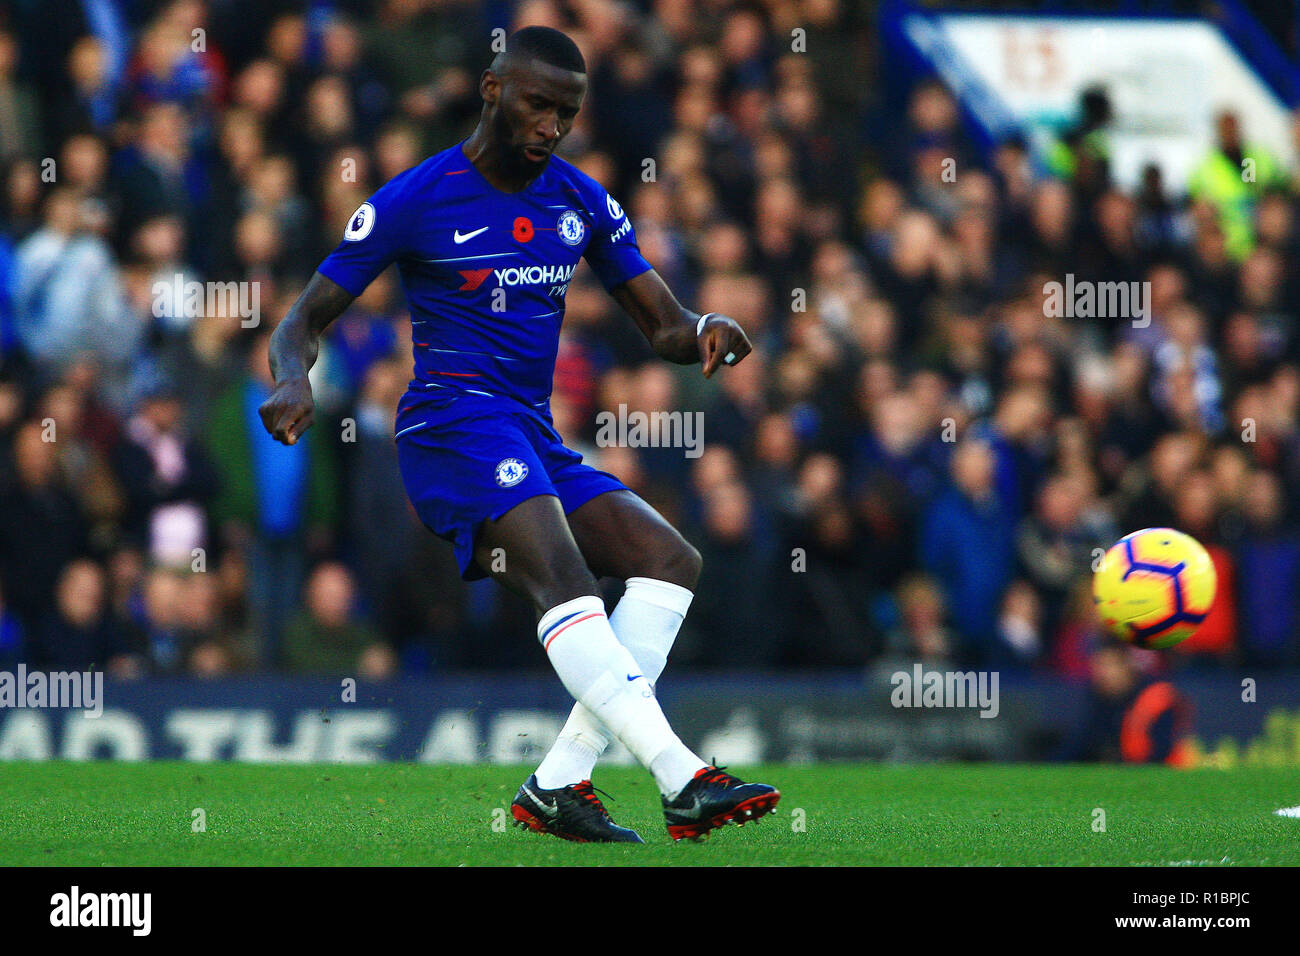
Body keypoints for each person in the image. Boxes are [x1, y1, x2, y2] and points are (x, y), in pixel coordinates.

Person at [259, 26, 778, 843]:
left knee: (670, 561)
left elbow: (666, 326)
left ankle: (558, 784)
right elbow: (302, 319)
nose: (551, 126)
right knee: (564, 577)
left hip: (531, 434)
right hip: (451, 425)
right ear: (493, 88)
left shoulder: (579, 199)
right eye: (538, 105)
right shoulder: (415, 198)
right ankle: (683, 778)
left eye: (566, 113)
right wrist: (293, 376)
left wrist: (708, 324)